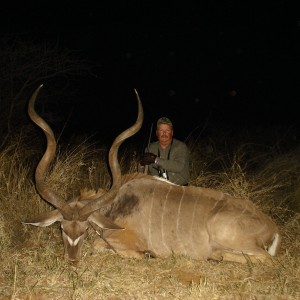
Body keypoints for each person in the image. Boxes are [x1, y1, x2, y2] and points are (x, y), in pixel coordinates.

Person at [138, 117, 190, 186]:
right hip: (157, 187)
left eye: (167, 130)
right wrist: (141, 164)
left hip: (178, 188)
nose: (164, 133)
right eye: (161, 130)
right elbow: (142, 173)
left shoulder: (180, 146)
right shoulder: (150, 148)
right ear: (157, 133)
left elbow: (178, 166)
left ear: (172, 132)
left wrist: (156, 160)